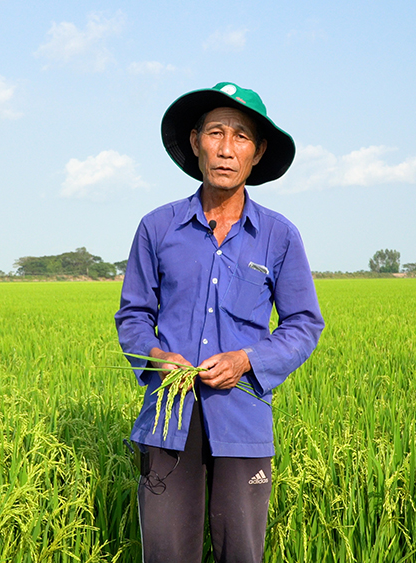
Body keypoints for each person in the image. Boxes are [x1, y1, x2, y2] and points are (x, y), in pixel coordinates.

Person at [115, 82, 324, 562]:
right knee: (166, 553)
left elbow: (303, 324)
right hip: (168, 420)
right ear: (195, 142)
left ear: (258, 151)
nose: (226, 149)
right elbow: (133, 315)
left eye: (241, 137)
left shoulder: (279, 236)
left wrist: (248, 359)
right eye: (215, 133)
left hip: (243, 418)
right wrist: (154, 355)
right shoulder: (157, 228)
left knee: (242, 553)